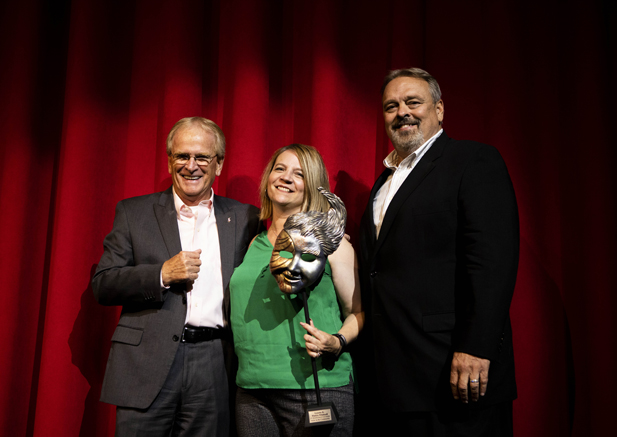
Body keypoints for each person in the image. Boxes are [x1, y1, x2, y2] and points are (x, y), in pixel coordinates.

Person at [357, 68, 519, 435]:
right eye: (391, 106)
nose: (402, 112)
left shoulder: (473, 161)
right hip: (394, 380)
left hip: (455, 371)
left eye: (413, 102)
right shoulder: (382, 182)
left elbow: (492, 263)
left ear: (440, 109)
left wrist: (476, 348)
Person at [92, 117, 261, 436]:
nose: (191, 166)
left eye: (202, 157)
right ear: (170, 160)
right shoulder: (133, 213)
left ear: (219, 164)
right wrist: (160, 274)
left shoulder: (245, 218)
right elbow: (103, 284)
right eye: (182, 156)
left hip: (214, 363)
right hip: (146, 363)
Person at [230, 144, 363, 436]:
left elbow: (359, 313)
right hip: (252, 391)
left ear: (313, 187)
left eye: (299, 174)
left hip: (317, 389)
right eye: (280, 169)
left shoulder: (334, 246)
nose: (286, 177)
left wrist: (337, 341)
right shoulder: (253, 244)